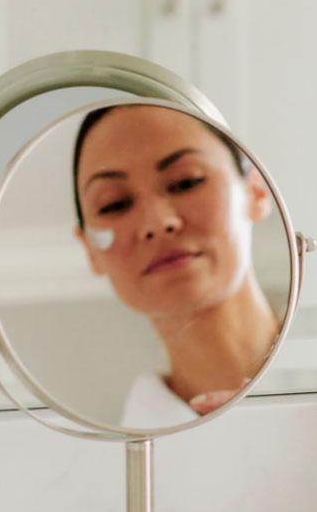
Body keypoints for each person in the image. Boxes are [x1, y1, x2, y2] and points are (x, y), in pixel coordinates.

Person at [73, 103, 280, 427]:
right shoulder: (109, 467)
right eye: (115, 204)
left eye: (186, 182)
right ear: (89, 248)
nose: (157, 222)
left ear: (255, 191)